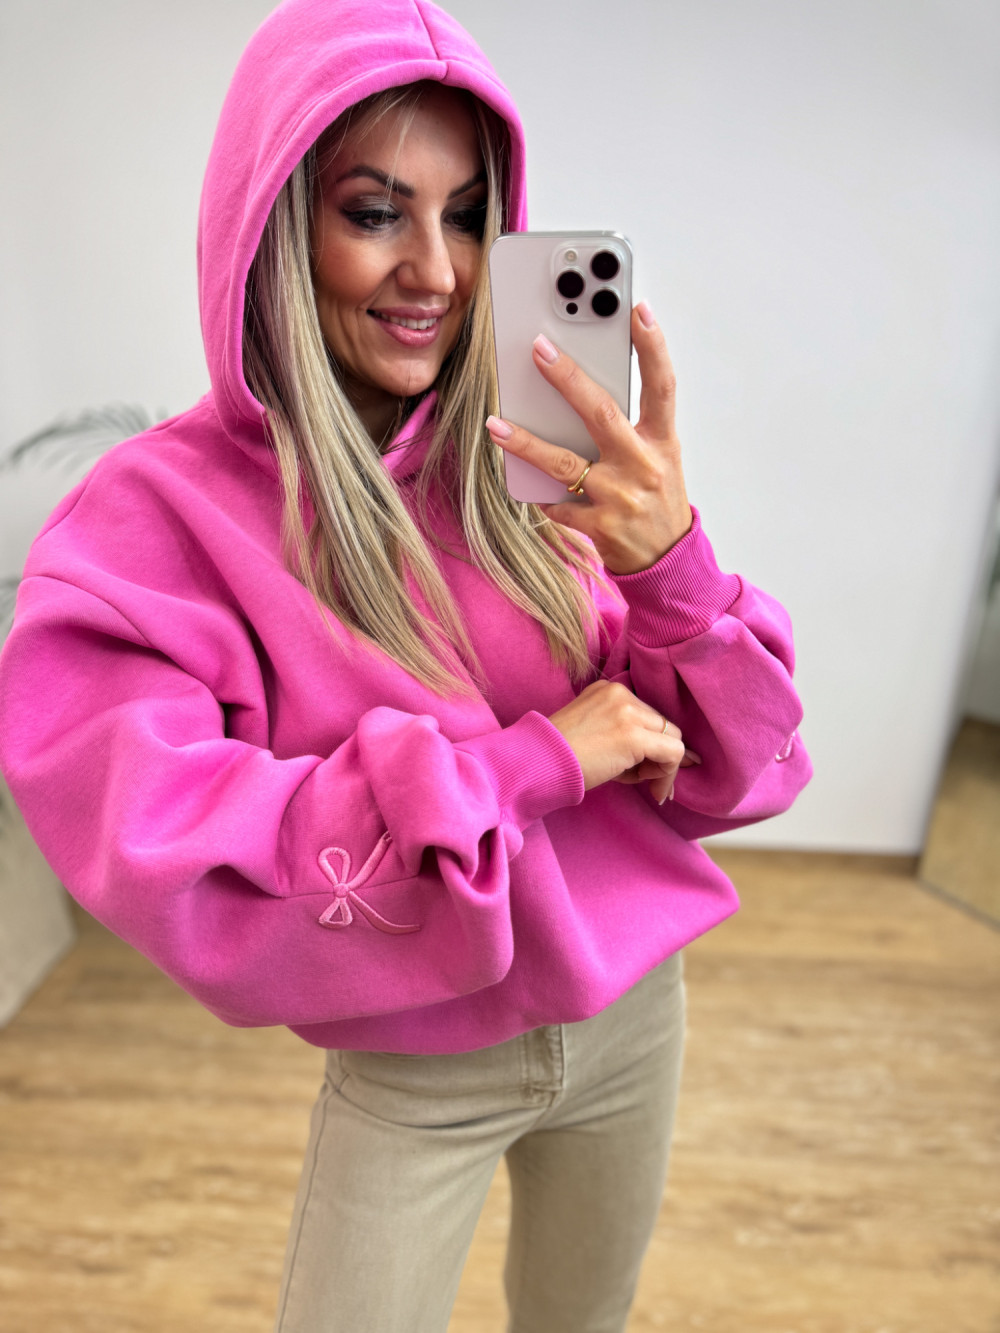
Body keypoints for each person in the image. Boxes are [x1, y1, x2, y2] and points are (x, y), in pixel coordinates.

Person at [0, 1, 812, 1329]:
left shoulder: (530, 454)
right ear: (277, 223)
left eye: (470, 215)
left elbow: (739, 771)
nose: (435, 269)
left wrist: (671, 564)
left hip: (635, 1016)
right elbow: (167, 844)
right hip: (417, 1065)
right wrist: (532, 763)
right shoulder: (156, 521)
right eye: (376, 211)